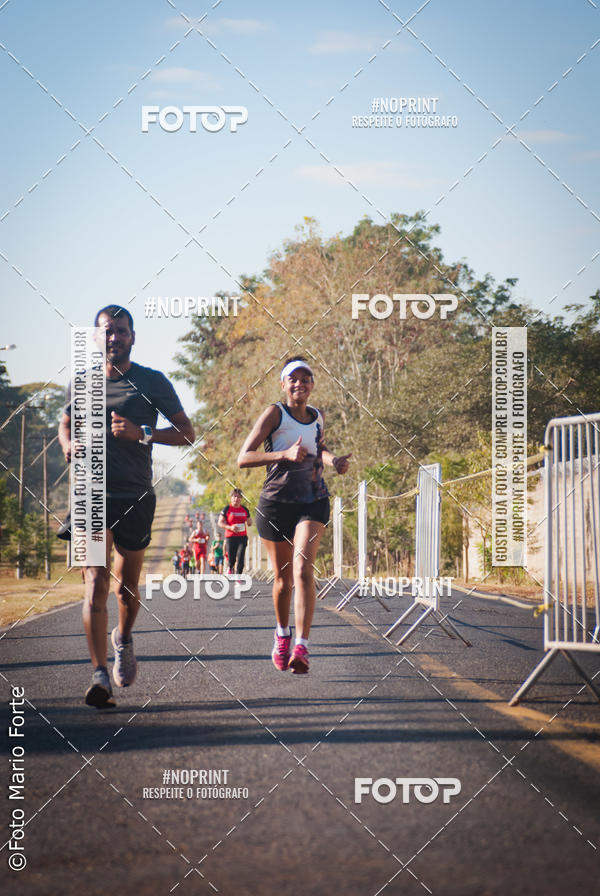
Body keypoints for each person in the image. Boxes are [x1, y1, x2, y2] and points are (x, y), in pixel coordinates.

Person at [57, 304, 195, 707]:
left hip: (134, 493)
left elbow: (187, 432)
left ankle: (125, 637)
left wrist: (143, 432)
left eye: (120, 330)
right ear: (96, 338)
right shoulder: (81, 383)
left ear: (132, 337)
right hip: (90, 492)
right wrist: (68, 444)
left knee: (126, 588)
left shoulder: (152, 381)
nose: (113, 337)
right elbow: (66, 422)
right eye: (106, 331)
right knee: (95, 583)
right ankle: (99, 674)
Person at [238, 357, 350, 673]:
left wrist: (333, 461)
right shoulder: (275, 413)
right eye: (293, 379)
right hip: (276, 503)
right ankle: (282, 634)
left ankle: (302, 645)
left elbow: (319, 447)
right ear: (284, 384)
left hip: (313, 500)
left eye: (306, 379)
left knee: (302, 570)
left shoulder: (318, 417)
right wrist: (283, 454)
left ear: (313, 385)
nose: (300, 384)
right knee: (283, 579)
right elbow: (243, 457)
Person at [218, 489, 252, 575]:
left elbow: (249, 522)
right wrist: (230, 527)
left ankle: (239, 577)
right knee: (231, 557)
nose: (236, 499)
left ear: (241, 499)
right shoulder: (227, 509)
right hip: (230, 536)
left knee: (240, 557)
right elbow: (220, 522)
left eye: (239, 497)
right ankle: (230, 567)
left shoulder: (244, 509)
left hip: (242, 537)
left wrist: (249, 522)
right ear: (231, 498)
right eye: (234, 496)